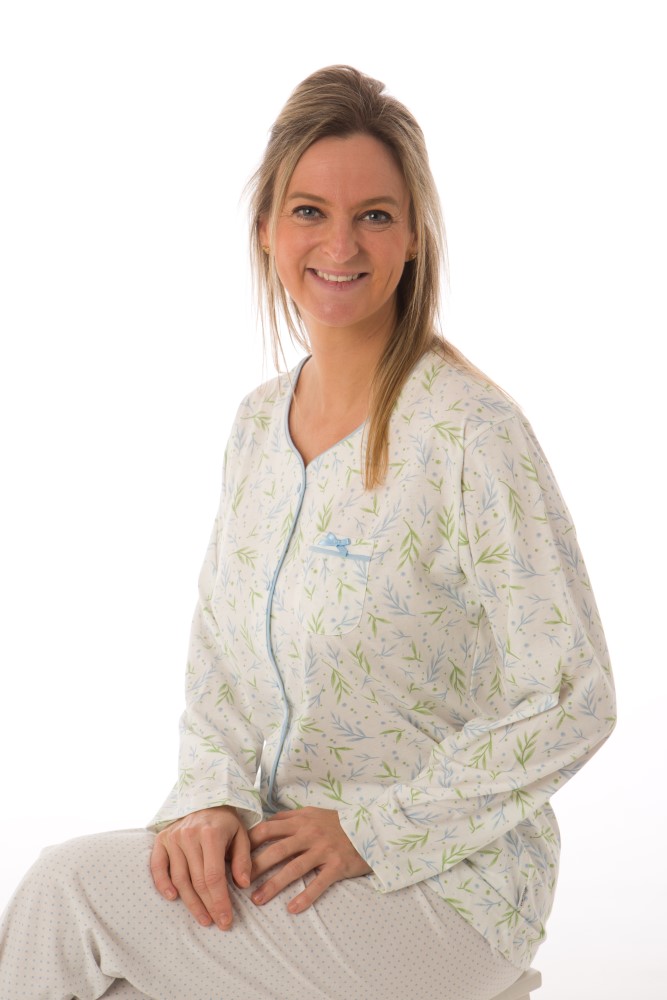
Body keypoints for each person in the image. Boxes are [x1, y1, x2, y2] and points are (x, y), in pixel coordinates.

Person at [0, 65, 616, 1000]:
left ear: (412, 236)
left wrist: (377, 827)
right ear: (265, 228)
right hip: (286, 856)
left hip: (450, 887)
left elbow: (572, 694)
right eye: (308, 212)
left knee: (67, 893)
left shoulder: (467, 434)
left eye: (374, 215)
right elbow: (219, 660)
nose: (339, 244)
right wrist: (210, 800)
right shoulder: (257, 425)